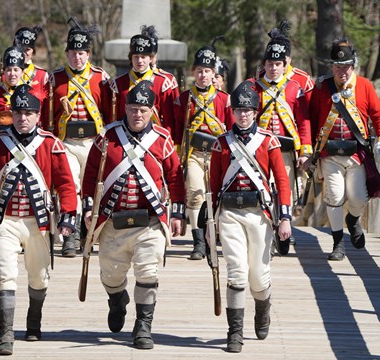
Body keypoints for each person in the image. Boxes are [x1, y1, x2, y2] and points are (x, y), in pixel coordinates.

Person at [82, 81, 186, 350]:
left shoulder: (162, 141)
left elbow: (175, 177)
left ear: (152, 111)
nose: (137, 115)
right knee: (111, 276)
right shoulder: (107, 137)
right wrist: (86, 209)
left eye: (142, 109)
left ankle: (143, 327)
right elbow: (90, 175)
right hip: (112, 220)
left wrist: (178, 214)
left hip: (149, 221)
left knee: (148, 272)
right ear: (124, 109)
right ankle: (117, 300)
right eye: (132, 109)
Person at [0, 84, 77, 355]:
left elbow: (66, 184)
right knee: (4, 275)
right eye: (18, 112)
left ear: (38, 115)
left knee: (39, 277)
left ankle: (34, 320)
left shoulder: (51, 144)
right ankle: (5, 333)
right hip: (4, 221)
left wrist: (68, 214)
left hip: (38, 221)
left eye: (29, 113)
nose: (23, 118)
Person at [209, 80, 291, 353]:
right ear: (231, 113)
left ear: (255, 112)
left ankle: (263, 307)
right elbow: (214, 184)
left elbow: (281, 181)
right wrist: (209, 221)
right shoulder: (222, 143)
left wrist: (285, 218)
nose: (242, 115)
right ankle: (235, 333)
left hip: (259, 214)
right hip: (230, 213)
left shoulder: (268, 141)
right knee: (237, 272)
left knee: (258, 274)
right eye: (238, 110)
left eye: (247, 110)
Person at [306, 38, 380, 261]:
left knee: (359, 198)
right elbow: (311, 119)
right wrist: (307, 151)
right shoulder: (322, 87)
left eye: (346, 66)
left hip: (356, 153)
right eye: (337, 66)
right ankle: (337, 243)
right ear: (332, 66)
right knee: (334, 196)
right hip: (329, 154)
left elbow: (378, 115)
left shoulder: (364, 86)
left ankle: (352, 220)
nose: (342, 71)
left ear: (354, 65)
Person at [45, 17, 110, 257]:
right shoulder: (56, 79)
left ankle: (88, 233)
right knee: (69, 186)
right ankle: (69, 235)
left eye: (81, 53)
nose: (77, 58)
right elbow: (47, 114)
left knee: (92, 189)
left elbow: (109, 111)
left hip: (93, 142)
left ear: (89, 54)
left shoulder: (100, 78)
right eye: (73, 53)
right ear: (67, 54)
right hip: (67, 142)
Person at [170, 39, 234, 260]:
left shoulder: (224, 100)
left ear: (213, 73)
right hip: (194, 155)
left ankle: (216, 238)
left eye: (207, 71)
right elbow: (177, 131)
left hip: (217, 157)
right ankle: (198, 243)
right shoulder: (184, 99)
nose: (203, 75)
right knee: (196, 196)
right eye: (199, 71)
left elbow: (231, 130)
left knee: (218, 198)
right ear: (192, 72)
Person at [251, 28, 312, 254]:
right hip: (261, 150)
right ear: (264, 65)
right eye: (270, 64)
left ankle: (284, 229)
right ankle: (271, 231)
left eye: (278, 64)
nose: (274, 68)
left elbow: (303, 123)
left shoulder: (295, 88)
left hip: (287, 150)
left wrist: (304, 151)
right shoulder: (254, 87)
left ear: (285, 65)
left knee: (286, 191)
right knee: (264, 191)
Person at [105, 26, 177, 127]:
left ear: (151, 58)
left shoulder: (163, 83)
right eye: (136, 57)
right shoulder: (118, 84)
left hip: (154, 137)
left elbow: (169, 121)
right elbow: (114, 117)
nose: (139, 61)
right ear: (130, 58)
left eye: (143, 57)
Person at [0, 46, 27, 133]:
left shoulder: (30, 92)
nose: (12, 74)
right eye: (8, 70)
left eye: (16, 70)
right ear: (4, 72)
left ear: (22, 72)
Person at [13, 26, 50, 98]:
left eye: (27, 49)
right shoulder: (2, 75)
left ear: (33, 50)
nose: (23, 53)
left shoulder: (42, 75)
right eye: (20, 49)